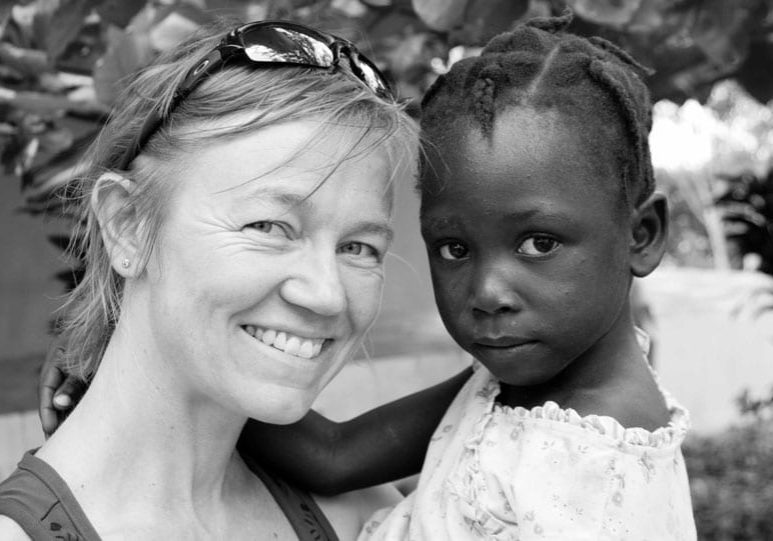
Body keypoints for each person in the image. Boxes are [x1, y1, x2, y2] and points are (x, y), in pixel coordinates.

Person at [34, 11, 699, 540]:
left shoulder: (595, 468)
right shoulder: (520, 384)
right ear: (125, 226)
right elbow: (335, 453)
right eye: (454, 249)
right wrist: (120, 356)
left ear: (641, 236)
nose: (488, 293)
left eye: (539, 243)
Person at [0, 19, 439, 540]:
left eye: (358, 248)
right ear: (127, 226)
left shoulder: (368, 519)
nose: (327, 295)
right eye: (268, 226)